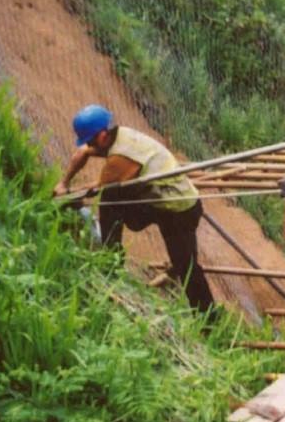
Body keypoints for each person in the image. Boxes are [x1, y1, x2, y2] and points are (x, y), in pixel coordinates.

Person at [53, 105, 214, 311]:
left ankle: (208, 320)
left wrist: (69, 197)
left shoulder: (121, 158)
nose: (89, 146)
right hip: (160, 198)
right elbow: (82, 153)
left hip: (177, 209)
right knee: (113, 199)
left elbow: (95, 189)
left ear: (102, 137)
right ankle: (112, 259)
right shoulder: (119, 135)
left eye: (91, 141)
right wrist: (63, 183)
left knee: (187, 268)